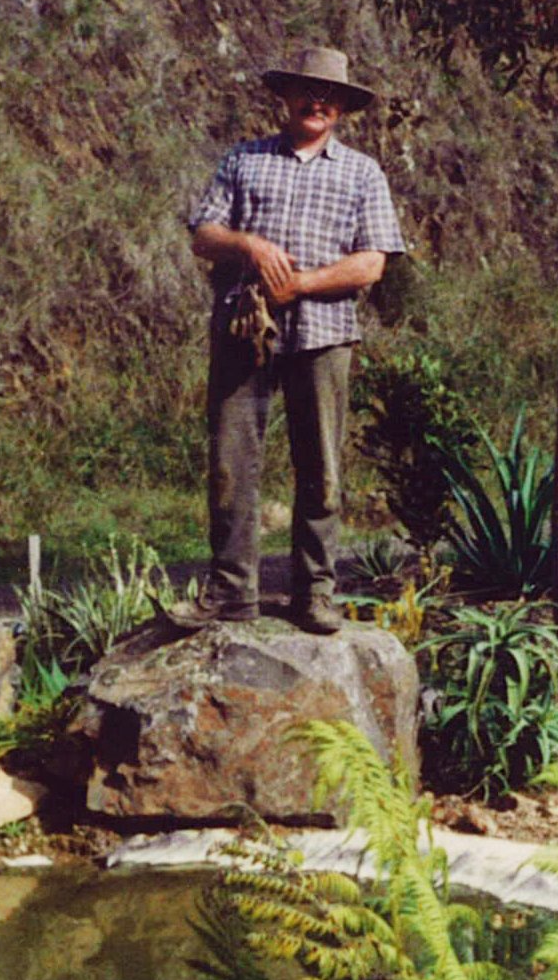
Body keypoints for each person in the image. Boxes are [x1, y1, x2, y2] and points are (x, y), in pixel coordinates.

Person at [170, 46, 406, 633]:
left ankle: (314, 593)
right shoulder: (244, 160)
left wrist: (299, 284)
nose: (316, 101)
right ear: (286, 97)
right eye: (306, 91)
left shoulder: (362, 173)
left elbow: (371, 264)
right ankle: (229, 593)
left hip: (324, 335)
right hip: (240, 329)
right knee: (231, 463)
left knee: (321, 467)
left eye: (329, 95)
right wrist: (249, 246)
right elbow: (204, 234)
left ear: (343, 108)